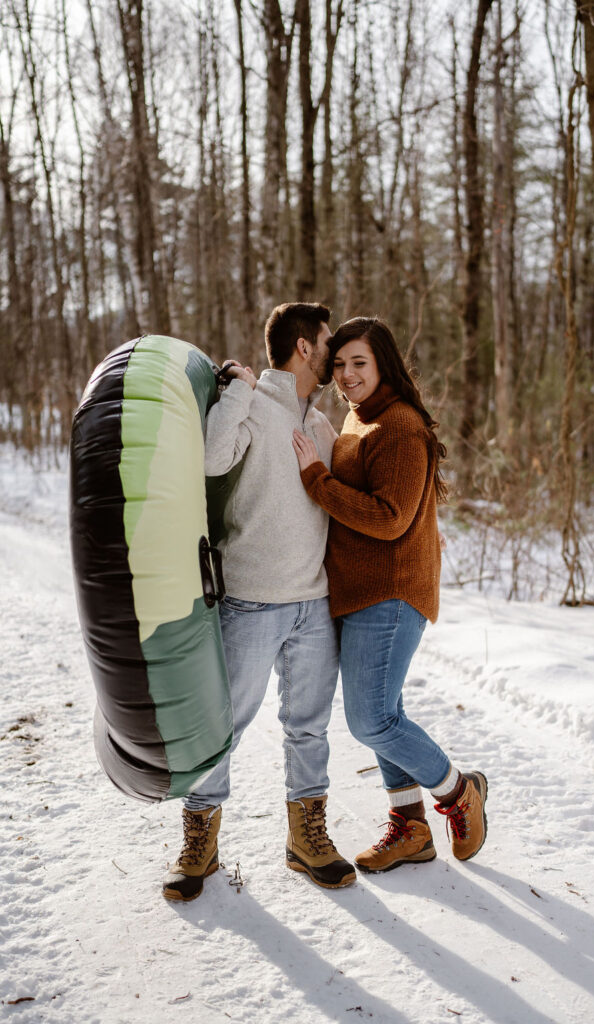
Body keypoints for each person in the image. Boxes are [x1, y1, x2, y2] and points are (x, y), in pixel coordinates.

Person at [163, 302, 355, 901]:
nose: (333, 355)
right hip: (249, 600)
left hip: (313, 605)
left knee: (309, 728)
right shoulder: (249, 404)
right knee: (222, 726)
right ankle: (200, 842)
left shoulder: (321, 426)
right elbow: (212, 460)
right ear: (304, 348)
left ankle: (307, 839)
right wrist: (237, 394)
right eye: (328, 343)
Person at [292, 317, 488, 873]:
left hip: (392, 591)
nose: (348, 374)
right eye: (340, 364)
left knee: (371, 719)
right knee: (385, 711)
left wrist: (316, 479)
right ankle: (410, 828)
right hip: (360, 591)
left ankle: (457, 792)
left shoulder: (398, 426)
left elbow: (390, 518)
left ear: (383, 365)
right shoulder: (360, 419)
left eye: (360, 363)